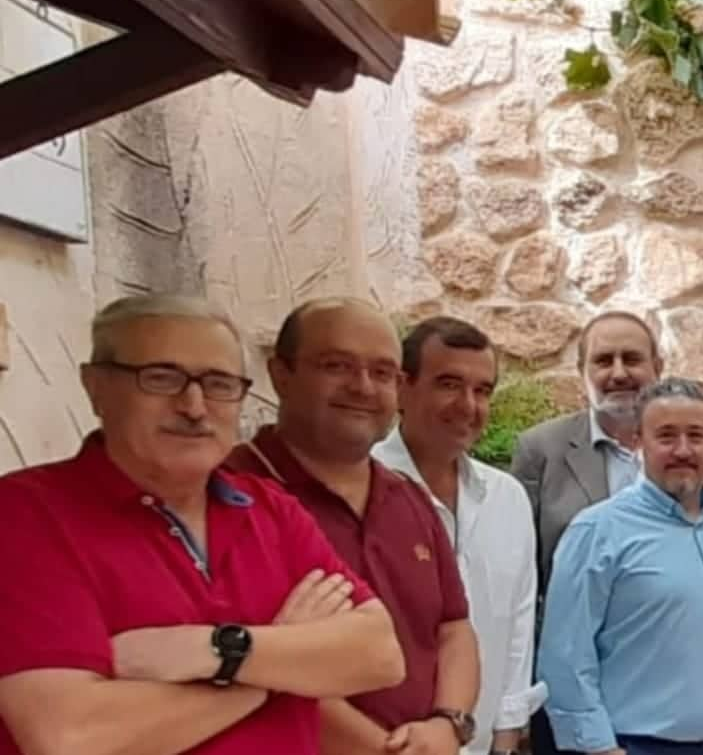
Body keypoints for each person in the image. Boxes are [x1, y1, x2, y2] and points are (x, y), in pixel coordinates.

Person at [0, 295, 404, 755]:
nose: (194, 406)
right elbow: (72, 739)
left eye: (218, 383)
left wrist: (213, 651)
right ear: (96, 388)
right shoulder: (26, 515)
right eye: (162, 378)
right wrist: (271, 674)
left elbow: (379, 654)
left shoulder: (270, 509)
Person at [226, 297, 482, 755]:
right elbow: (262, 666)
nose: (363, 387)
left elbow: (453, 628)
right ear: (280, 374)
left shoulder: (408, 497)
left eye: (382, 372)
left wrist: (449, 724)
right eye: (336, 365)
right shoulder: (230, 497)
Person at [515, 311, 703, 755]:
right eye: (603, 361)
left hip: (685, 704)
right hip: (581, 704)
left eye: (632, 359)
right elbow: (526, 579)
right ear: (582, 372)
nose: (618, 373)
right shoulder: (541, 450)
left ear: (657, 367)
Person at [373, 317, 546, 755]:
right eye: (449, 384)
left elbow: (518, 624)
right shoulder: (361, 490)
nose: (468, 405)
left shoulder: (506, 497)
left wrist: (506, 736)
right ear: (402, 387)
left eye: (483, 390)